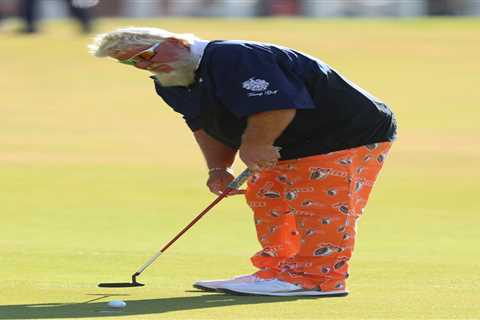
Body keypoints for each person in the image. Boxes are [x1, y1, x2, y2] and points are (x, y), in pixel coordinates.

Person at [89, 27, 397, 297]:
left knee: (318, 205)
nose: (145, 64)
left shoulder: (233, 57)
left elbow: (277, 104)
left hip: (342, 133)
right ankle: (277, 272)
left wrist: (256, 143)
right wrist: (218, 168)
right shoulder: (169, 80)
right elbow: (201, 124)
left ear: (177, 42)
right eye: (131, 63)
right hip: (287, 141)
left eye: (145, 54)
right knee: (267, 199)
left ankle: (319, 279)